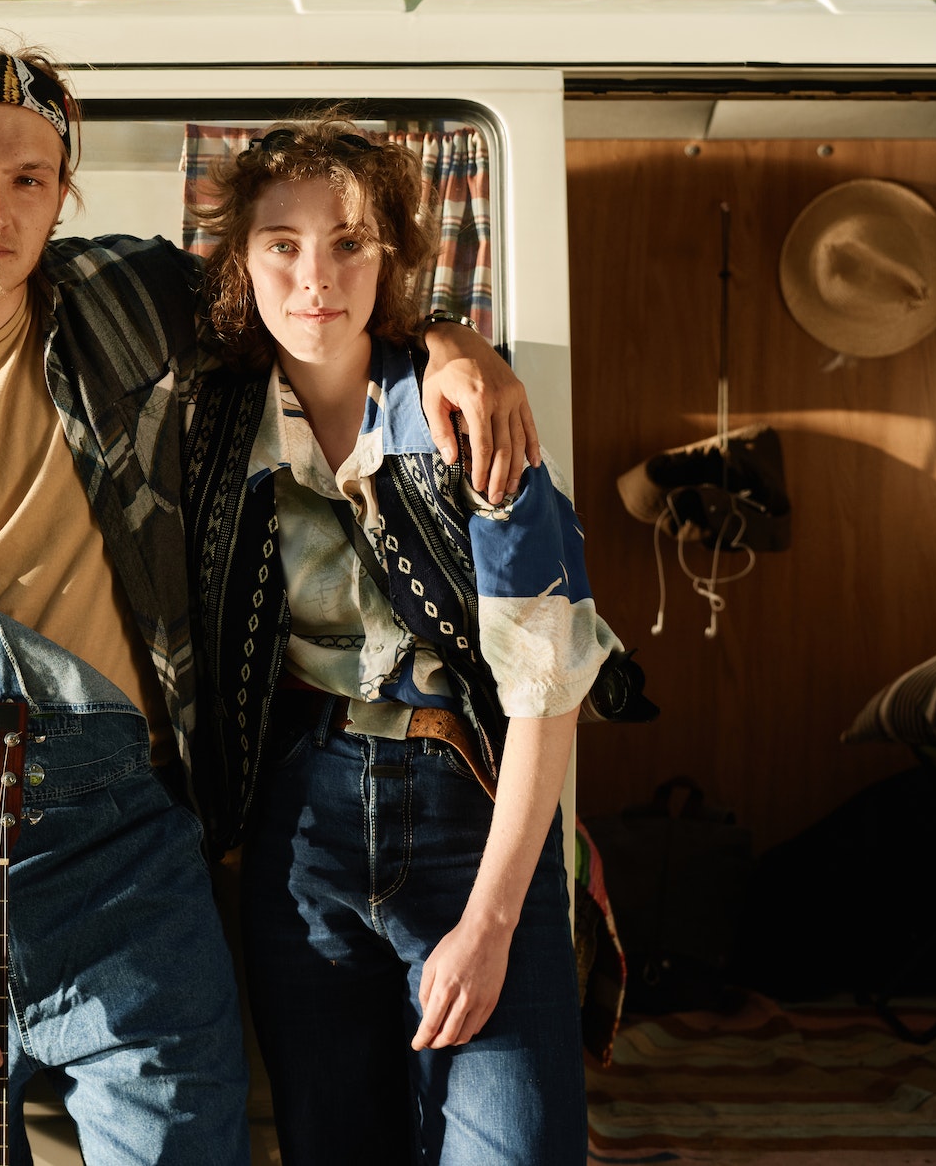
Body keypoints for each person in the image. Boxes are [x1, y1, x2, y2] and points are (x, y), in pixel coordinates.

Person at [0, 51, 535, 1164]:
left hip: (131, 843)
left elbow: (309, 291)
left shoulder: (120, 300)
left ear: (62, 195)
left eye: (28, 181)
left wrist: (456, 347)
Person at [185, 116, 621, 1164]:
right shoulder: (211, 421)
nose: (313, 276)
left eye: (348, 243)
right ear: (240, 264)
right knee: (333, 1140)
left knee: (508, 1147)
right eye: (278, 244)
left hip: (466, 799)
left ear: (392, 262)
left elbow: (543, 692)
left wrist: (492, 924)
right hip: (297, 808)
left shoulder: (467, 420)